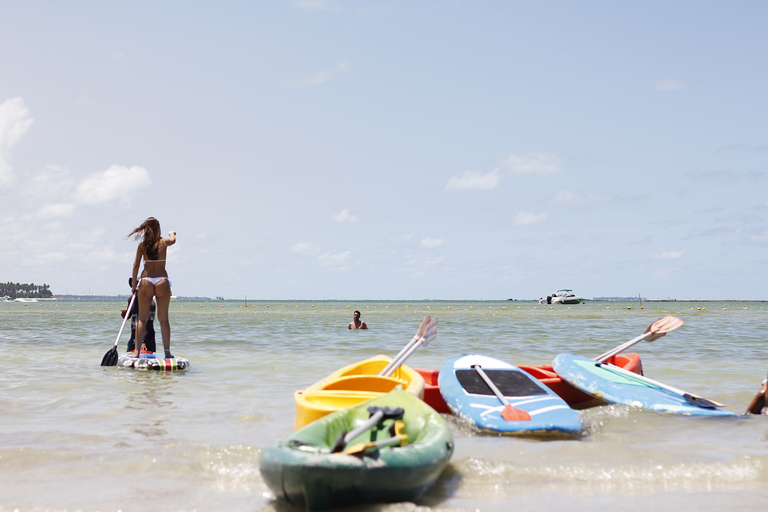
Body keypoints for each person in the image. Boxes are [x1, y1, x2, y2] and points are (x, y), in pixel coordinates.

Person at [126, 217, 176, 358]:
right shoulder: (164, 242)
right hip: (162, 280)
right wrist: (172, 232)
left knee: (142, 319)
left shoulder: (143, 245)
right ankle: (167, 352)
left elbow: (136, 265)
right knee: (164, 319)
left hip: (146, 280)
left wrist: (134, 285)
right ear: (158, 229)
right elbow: (173, 240)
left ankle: (136, 352)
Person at [120, 278, 157, 354]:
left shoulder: (150, 303)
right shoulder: (131, 299)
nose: (136, 288)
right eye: (134, 285)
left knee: (146, 364)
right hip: (133, 338)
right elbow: (130, 315)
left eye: (138, 285)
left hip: (147, 340)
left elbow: (149, 324)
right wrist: (125, 314)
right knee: (130, 364)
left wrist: (142, 341)